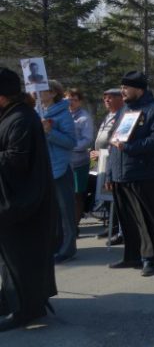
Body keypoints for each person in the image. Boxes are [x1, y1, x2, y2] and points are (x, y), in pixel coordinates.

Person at [106, 71, 154, 277]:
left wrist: (130, 147)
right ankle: (132, 255)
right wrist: (110, 173)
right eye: (121, 87)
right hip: (121, 174)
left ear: (139, 89)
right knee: (128, 220)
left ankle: (150, 258)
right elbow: (114, 141)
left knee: (145, 219)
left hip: (141, 173)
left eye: (126, 87)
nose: (122, 91)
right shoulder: (124, 110)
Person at [0, 68, 57, 332]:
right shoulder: (12, 116)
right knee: (12, 258)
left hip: (23, 202)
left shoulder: (21, 119)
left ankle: (26, 310)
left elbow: (16, 160)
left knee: (21, 258)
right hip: (16, 200)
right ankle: (12, 300)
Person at [39, 80, 77, 264]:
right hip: (43, 168)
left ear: (53, 93)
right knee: (51, 211)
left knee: (65, 211)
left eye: (42, 90)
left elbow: (71, 142)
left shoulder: (63, 114)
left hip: (60, 168)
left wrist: (49, 132)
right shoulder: (37, 112)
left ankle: (68, 249)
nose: (37, 93)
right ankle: (55, 245)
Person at [91, 89, 125, 243]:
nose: (106, 100)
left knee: (113, 196)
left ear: (120, 99)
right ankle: (112, 225)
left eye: (110, 98)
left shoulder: (121, 115)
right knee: (105, 195)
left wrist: (102, 153)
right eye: (105, 98)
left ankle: (117, 228)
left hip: (110, 159)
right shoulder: (109, 115)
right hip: (102, 160)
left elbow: (116, 141)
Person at [65, 88, 94, 233]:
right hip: (64, 162)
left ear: (80, 102)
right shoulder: (63, 115)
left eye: (74, 100)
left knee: (77, 195)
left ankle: (75, 226)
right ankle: (66, 224)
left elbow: (87, 139)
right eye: (68, 99)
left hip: (79, 162)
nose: (71, 102)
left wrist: (70, 145)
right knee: (65, 194)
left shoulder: (84, 117)